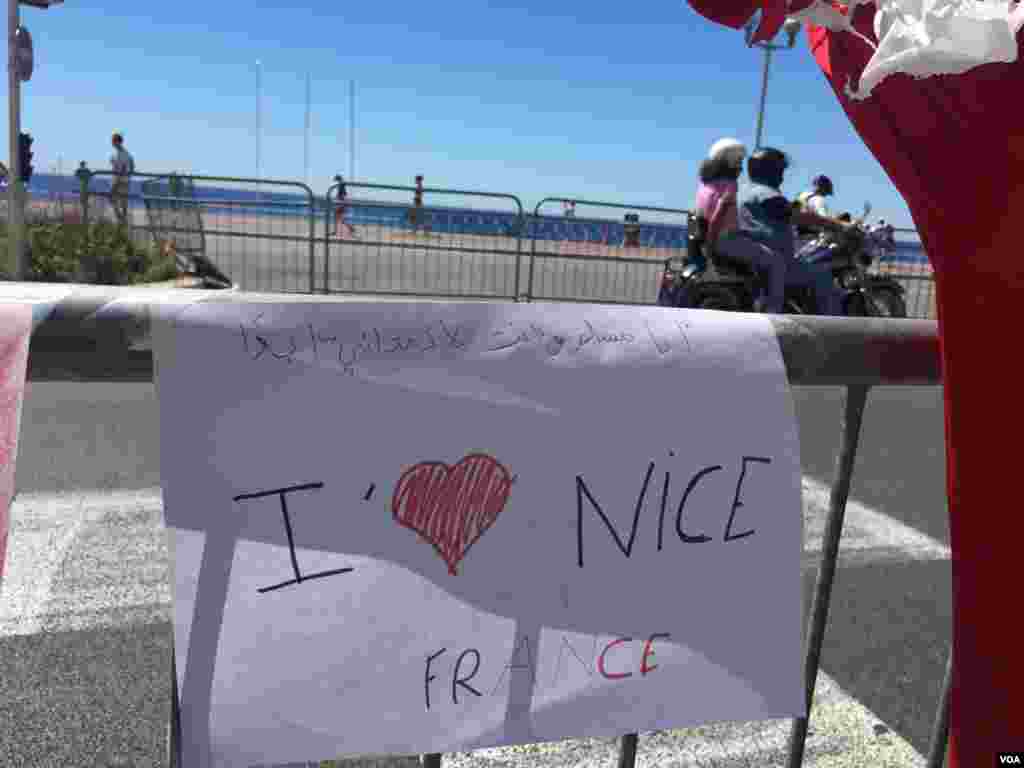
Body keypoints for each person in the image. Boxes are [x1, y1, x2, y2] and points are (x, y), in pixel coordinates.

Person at [718, 147, 849, 315]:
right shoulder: (766, 193)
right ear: (770, 170)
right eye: (779, 170)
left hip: (754, 257)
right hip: (775, 261)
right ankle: (832, 329)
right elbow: (796, 216)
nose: (782, 176)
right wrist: (837, 225)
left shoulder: (742, 190)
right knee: (821, 275)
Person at [693, 137, 747, 271]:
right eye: (739, 161)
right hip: (725, 239)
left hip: (706, 237)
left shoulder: (704, 183)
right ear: (730, 161)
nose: (741, 168)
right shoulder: (730, 185)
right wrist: (711, 246)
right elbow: (719, 214)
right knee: (773, 260)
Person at [110, 132, 135, 226]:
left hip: (119, 180)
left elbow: (125, 167)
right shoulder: (125, 154)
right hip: (122, 179)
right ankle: (122, 219)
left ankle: (121, 219)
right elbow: (132, 165)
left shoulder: (121, 154)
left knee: (117, 199)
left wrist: (120, 178)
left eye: (113, 141)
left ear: (117, 142)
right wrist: (128, 176)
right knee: (122, 201)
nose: (112, 143)